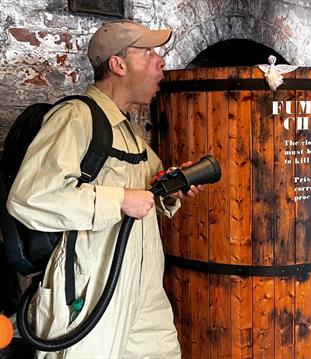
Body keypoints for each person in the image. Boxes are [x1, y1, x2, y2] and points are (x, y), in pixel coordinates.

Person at [6, 20, 202, 358]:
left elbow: (149, 189)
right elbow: (29, 197)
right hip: (93, 291)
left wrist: (171, 187)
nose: (161, 61)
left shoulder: (128, 132)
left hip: (145, 292)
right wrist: (121, 200)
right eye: (149, 52)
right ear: (118, 64)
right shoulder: (76, 118)